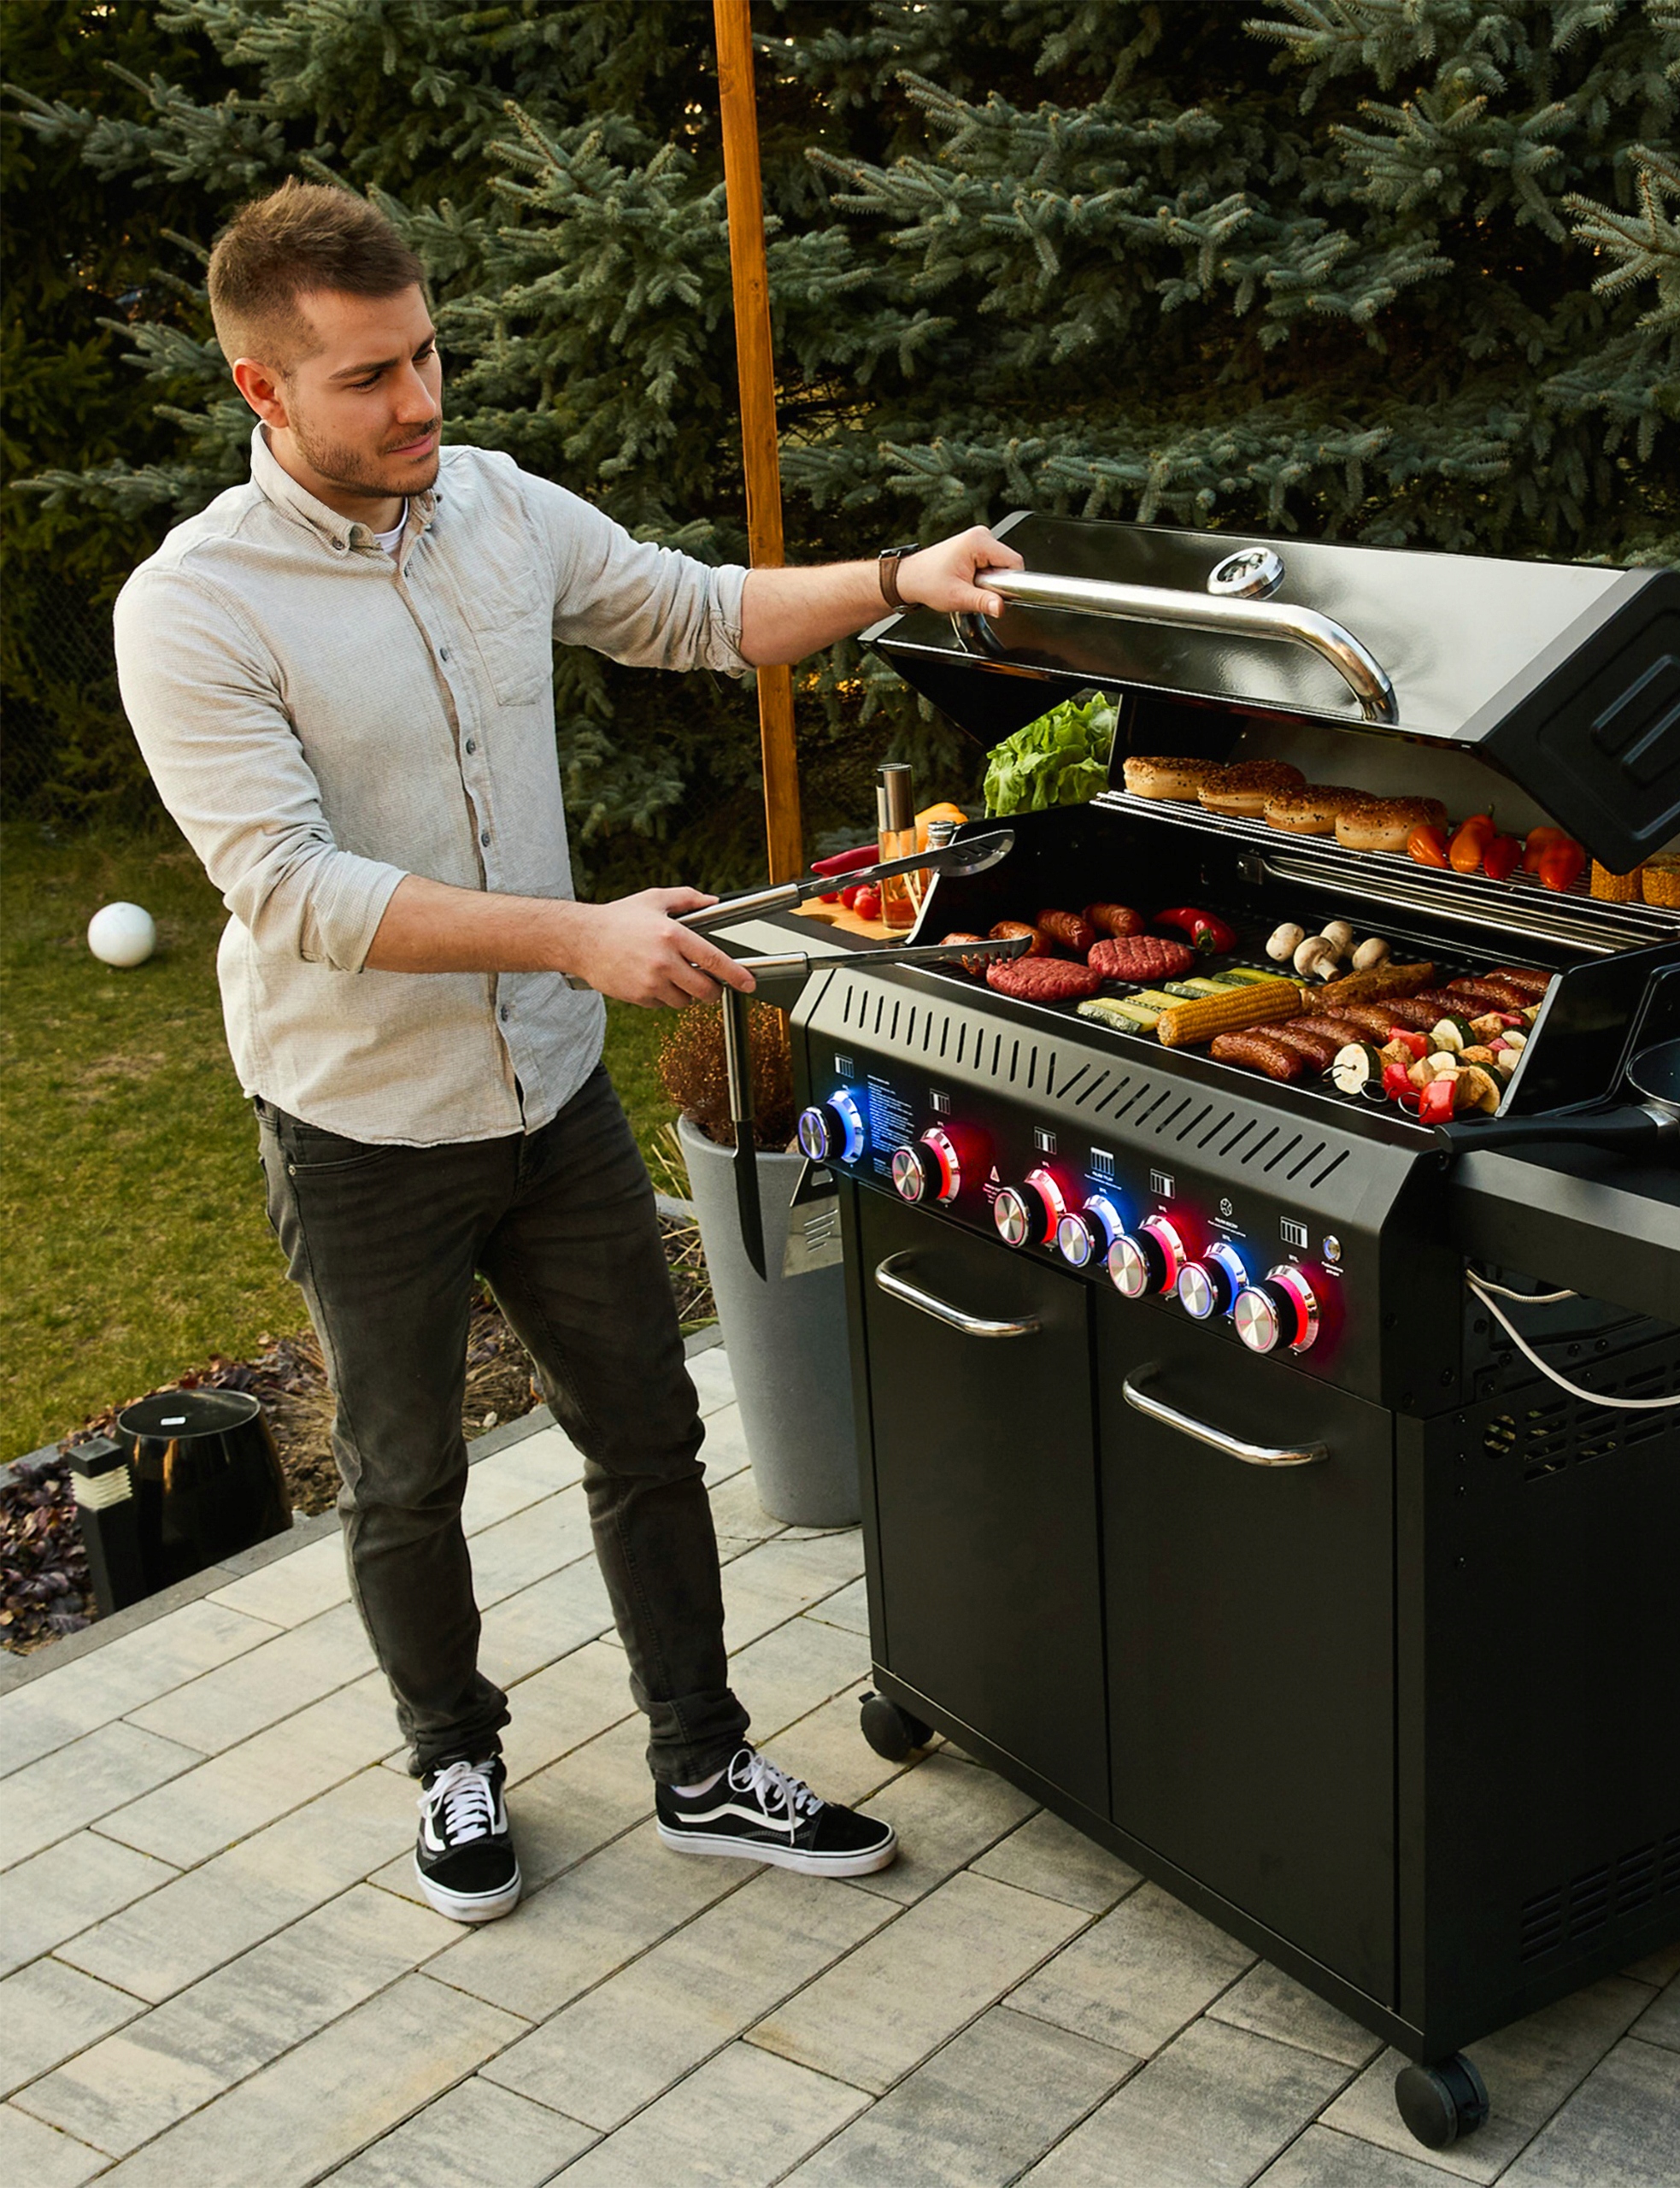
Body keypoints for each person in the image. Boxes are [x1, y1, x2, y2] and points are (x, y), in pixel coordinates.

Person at [114, 179, 1022, 1924]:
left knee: (650, 1430)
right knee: (404, 1474)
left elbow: (694, 608)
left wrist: (898, 579)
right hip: (360, 1119)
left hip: (545, 1087)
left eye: (426, 354)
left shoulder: (494, 507)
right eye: (371, 377)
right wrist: (575, 936)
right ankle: (451, 1758)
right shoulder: (194, 607)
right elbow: (289, 888)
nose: (420, 401)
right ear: (261, 390)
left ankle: (702, 1761)